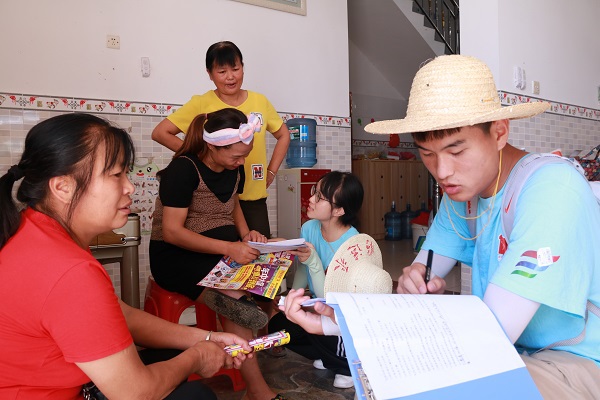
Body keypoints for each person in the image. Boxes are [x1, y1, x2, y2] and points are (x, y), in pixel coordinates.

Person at [363, 54, 600, 399]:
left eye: (456, 150)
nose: (442, 171)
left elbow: (492, 335)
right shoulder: (463, 196)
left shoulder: (553, 189)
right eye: (427, 153)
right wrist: (413, 286)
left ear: (499, 132)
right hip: (512, 350)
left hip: (576, 361)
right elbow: (422, 274)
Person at [0, 113, 252, 400]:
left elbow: (120, 314)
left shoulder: (37, 230)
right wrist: (198, 357)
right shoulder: (68, 271)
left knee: (172, 357)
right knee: (197, 395)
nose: (130, 187)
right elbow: (135, 393)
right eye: (116, 175)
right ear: (62, 187)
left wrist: (206, 338)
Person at [149, 108, 286, 400]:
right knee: (237, 301)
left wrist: (246, 235)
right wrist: (229, 247)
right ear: (212, 146)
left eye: (244, 155)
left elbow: (233, 203)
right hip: (176, 257)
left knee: (274, 260)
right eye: (236, 156)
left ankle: (247, 307)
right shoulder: (183, 169)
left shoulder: (234, 167)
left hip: (219, 253)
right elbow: (172, 232)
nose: (241, 162)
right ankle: (258, 390)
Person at [151, 40, 290, 238]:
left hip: (253, 199)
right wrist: (200, 158)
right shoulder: (201, 103)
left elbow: (283, 134)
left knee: (258, 251)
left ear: (243, 67)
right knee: (223, 252)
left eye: (235, 69)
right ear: (209, 74)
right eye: (222, 71)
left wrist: (271, 171)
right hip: (215, 200)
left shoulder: (260, 101)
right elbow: (160, 133)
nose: (230, 77)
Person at [268, 172, 367, 389]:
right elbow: (304, 267)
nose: (311, 199)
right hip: (317, 305)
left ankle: (345, 366)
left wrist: (313, 261)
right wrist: (292, 298)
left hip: (340, 315)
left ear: (339, 210)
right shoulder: (309, 228)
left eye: (320, 197)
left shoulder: (353, 244)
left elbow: (332, 303)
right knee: (278, 326)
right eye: (315, 191)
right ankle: (327, 355)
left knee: (328, 326)